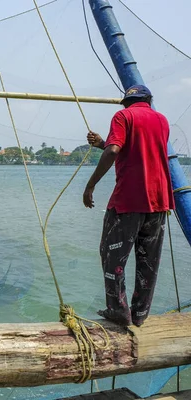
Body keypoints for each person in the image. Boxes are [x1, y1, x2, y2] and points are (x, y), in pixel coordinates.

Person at [83, 85, 174, 327]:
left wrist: (90, 185)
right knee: (148, 260)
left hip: (128, 201)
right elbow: (137, 150)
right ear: (148, 100)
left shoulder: (123, 116)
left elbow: (116, 150)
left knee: (111, 254)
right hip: (158, 201)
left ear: (126, 103)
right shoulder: (162, 120)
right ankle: (140, 314)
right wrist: (103, 142)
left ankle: (119, 311)